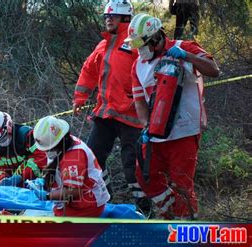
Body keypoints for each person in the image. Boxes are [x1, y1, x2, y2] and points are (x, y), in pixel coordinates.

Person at [125, 13, 219, 219]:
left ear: (156, 38)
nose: (140, 51)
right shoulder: (138, 65)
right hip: (155, 132)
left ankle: (184, 228)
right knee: (144, 176)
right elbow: (139, 101)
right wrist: (145, 126)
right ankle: (167, 214)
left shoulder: (184, 47)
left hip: (184, 131)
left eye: (143, 44)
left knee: (182, 184)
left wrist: (187, 56)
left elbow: (214, 70)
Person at [73, 0, 149, 212]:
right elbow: (88, 71)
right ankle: (104, 199)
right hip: (105, 114)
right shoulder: (103, 45)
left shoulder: (136, 42)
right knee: (92, 158)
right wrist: (80, 97)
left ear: (125, 18)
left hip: (131, 116)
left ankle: (145, 208)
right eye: (106, 16)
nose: (108, 19)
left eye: (112, 16)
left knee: (132, 167)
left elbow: (151, 69)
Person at [29, 116, 110, 217]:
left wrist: (46, 196)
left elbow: (73, 191)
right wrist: (44, 182)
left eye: (47, 149)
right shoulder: (61, 145)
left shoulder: (73, 157)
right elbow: (56, 169)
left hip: (87, 205)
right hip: (72, 201)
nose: (46, 152)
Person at [0, 111, 47, 187]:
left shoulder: (27, 135)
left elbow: (42, 158)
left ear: (9, 125)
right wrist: (3, 179)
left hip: (38, 183)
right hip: (16, 189)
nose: (1, 142)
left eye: (2, 137)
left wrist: (21, 177)